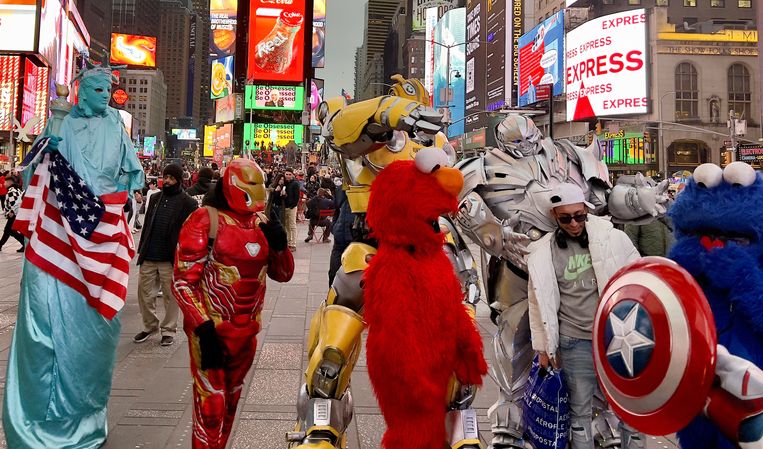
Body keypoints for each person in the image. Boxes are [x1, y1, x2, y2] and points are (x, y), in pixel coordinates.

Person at [3, 60, 144, 448]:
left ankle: (84, 424)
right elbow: (34, 174)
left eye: (107, 91)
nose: (104, 97)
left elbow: (132, 174)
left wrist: (120, 192)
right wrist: (52, 137)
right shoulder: (59, 122)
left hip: (101, 240)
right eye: (97, 90)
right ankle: (35, 427)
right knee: (43, 334)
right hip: (55, 242)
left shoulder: (116, 124)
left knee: (95, 337)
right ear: (80, 91)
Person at [173, 159, 294, 449]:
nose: (258, 192)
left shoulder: (261, 223)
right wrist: (202, 328)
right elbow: (182, 281)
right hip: (211, 332)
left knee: (230, 404)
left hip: (246, 332)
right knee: (211, 407)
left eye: (260, 186)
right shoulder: (205, 219)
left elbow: (283, 274)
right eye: (251, 185)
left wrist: (279, 245)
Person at [527, 183, 644, 449]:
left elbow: (639, 278)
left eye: (579, 215)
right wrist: (543, 349)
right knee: (579, 414)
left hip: (618, 339)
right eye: (565, 218)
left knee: (630, 411)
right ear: (554, 216)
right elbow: (537, 302)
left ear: (587, 211)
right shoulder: (542, 252)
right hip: (574, 342)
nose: (574, 223)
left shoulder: (613, 238)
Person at [134, 163, 198, 346]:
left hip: (170, 257)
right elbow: (147, 225)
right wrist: (142, 248)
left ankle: (168, 329)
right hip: (149, 254)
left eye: (170, 178)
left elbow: (191, 231)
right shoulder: (155, 198)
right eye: (165, 177)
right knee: (144, 293)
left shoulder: (188, 203)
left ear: (178, 180)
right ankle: (150, 326)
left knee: (171, 297)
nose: (167, 181)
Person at [0, 175, 25, 252]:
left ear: (10, 182)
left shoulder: (12, 191)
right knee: (9, 231)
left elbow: (14, 204)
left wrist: (11, 212)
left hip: (13, 215)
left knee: (10, 231)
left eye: (5, 182)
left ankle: (25, 243)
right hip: (15, 214)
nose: (4, 184)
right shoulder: (16, 189)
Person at [283, 167, 300, 251]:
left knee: (292, 225)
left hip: (291, 207)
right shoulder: (283, 183)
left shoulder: (295, 184)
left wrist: (292, 206)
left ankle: (293, 244)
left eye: (290, 174)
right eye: (287, 174)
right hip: (284, 207)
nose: (288, 176)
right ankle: (288, 242)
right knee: (286, 225)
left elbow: (297, 197)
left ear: (292, 175)